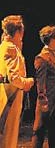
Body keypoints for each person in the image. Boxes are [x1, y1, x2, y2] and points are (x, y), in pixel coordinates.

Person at [0, 15, 35, 148]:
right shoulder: (11, 49)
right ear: (17, 31)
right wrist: (27, 82)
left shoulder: (4, 46)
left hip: (6, 96)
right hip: (11, 98)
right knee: (9, 137)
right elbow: (14, 78)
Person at [32, 25, 55, 148]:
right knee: (40, 129)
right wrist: (42, 97)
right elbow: (40, 80)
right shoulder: (42, 57)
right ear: (51, 39)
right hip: (47, 98)